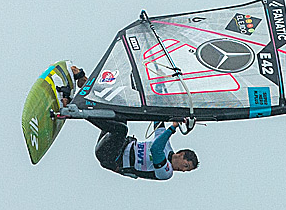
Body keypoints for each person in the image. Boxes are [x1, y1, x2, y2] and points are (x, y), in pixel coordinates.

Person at [71, 64, 199, 180]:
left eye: (186, 169)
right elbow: (158, 118)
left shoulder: (166, 172)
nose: (182, 170)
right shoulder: (166, 145)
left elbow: (156, 149)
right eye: (186, 166)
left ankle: (75, 108)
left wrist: (173, 128)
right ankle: (85, 83)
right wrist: (160, 85)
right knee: (120, 106)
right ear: (181, 154)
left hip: (111, 158)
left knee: (121, 130)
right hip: (113, 144)